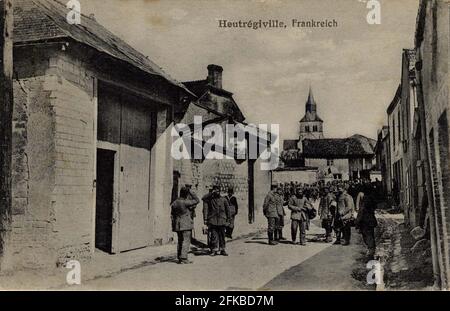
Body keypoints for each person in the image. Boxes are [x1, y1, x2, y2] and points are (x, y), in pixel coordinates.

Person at [171, 187, 200, 264]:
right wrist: (191, 192)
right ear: (186, 194)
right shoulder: (185, 202)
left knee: (180, 241)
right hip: (186, 224)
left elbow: (172, 214)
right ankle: (184, 258)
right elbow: (197, 200)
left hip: (177, 224)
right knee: (186, 240)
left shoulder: (175, 202)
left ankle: (180, 257)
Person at [202, 186, 231, 256]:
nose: (216, 192)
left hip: (222, 220)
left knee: (222, 236)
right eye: (215, 191)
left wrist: (228, 219)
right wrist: (210, 193)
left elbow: (228, 210)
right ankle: (214, 249)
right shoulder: (210, 199)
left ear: (220, 191)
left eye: (218, 191)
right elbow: (203, 198)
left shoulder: (224, 199)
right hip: (213, 220)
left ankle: (222, 249)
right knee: (214, 236)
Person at [355, 184, 378, 259]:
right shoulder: (372, 198)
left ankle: (370, 253)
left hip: (365, 221)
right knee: (371, 235)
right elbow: (375, 207)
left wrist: (357, 222)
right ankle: (372, 250)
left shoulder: (364, 200)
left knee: (366, 236)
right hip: (371, 219)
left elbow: (361, 211)